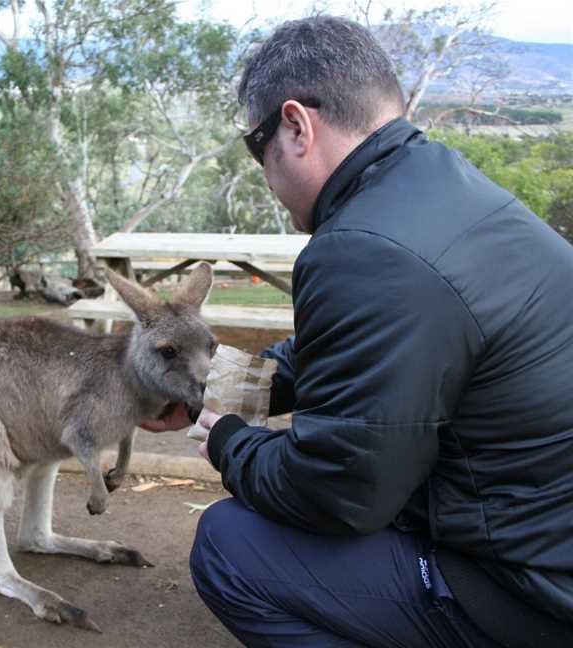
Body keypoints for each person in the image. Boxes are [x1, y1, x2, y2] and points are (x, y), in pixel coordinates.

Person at [141, 15, 573, 648]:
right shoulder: (443, 188)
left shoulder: (361, 248)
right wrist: (217, 385)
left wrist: (230, 444)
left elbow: (339, 492)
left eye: (256, 144)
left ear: (296, 125)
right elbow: (361, 355)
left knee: (230, 547)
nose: (263, 171)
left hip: (529, 587)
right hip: (542, 525)